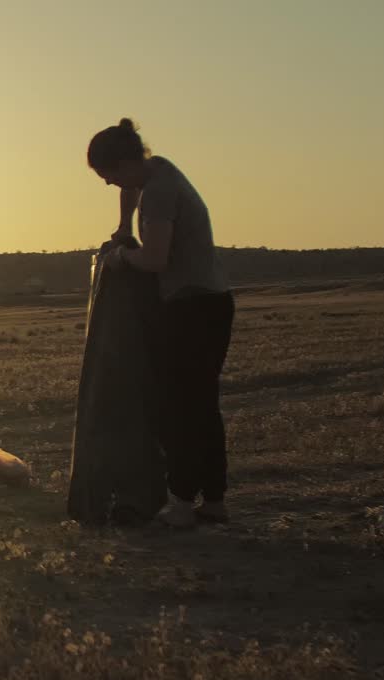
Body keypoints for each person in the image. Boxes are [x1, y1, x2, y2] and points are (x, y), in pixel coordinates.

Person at [87, 118, 234, 528]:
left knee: (179, 408)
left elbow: (154, 259)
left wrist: (120, 258)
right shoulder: (158, 171)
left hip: (192, 310)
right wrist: (123, 226)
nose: (109, 183)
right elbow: (130, 189)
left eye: (108, 175)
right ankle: (214, 501)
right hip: (211, 302)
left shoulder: (159, 194)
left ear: (123, 163)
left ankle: (183, 502)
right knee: (202, 405)